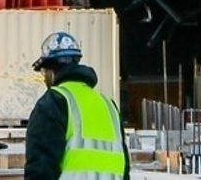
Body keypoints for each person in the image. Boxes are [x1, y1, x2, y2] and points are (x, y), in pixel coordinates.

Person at [23, 31, 128, 180]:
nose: (44, 78)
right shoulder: (109, 105)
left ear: (51, 71)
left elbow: (41, 169)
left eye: (43, 72)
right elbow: (125, 168)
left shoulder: (53, 102)